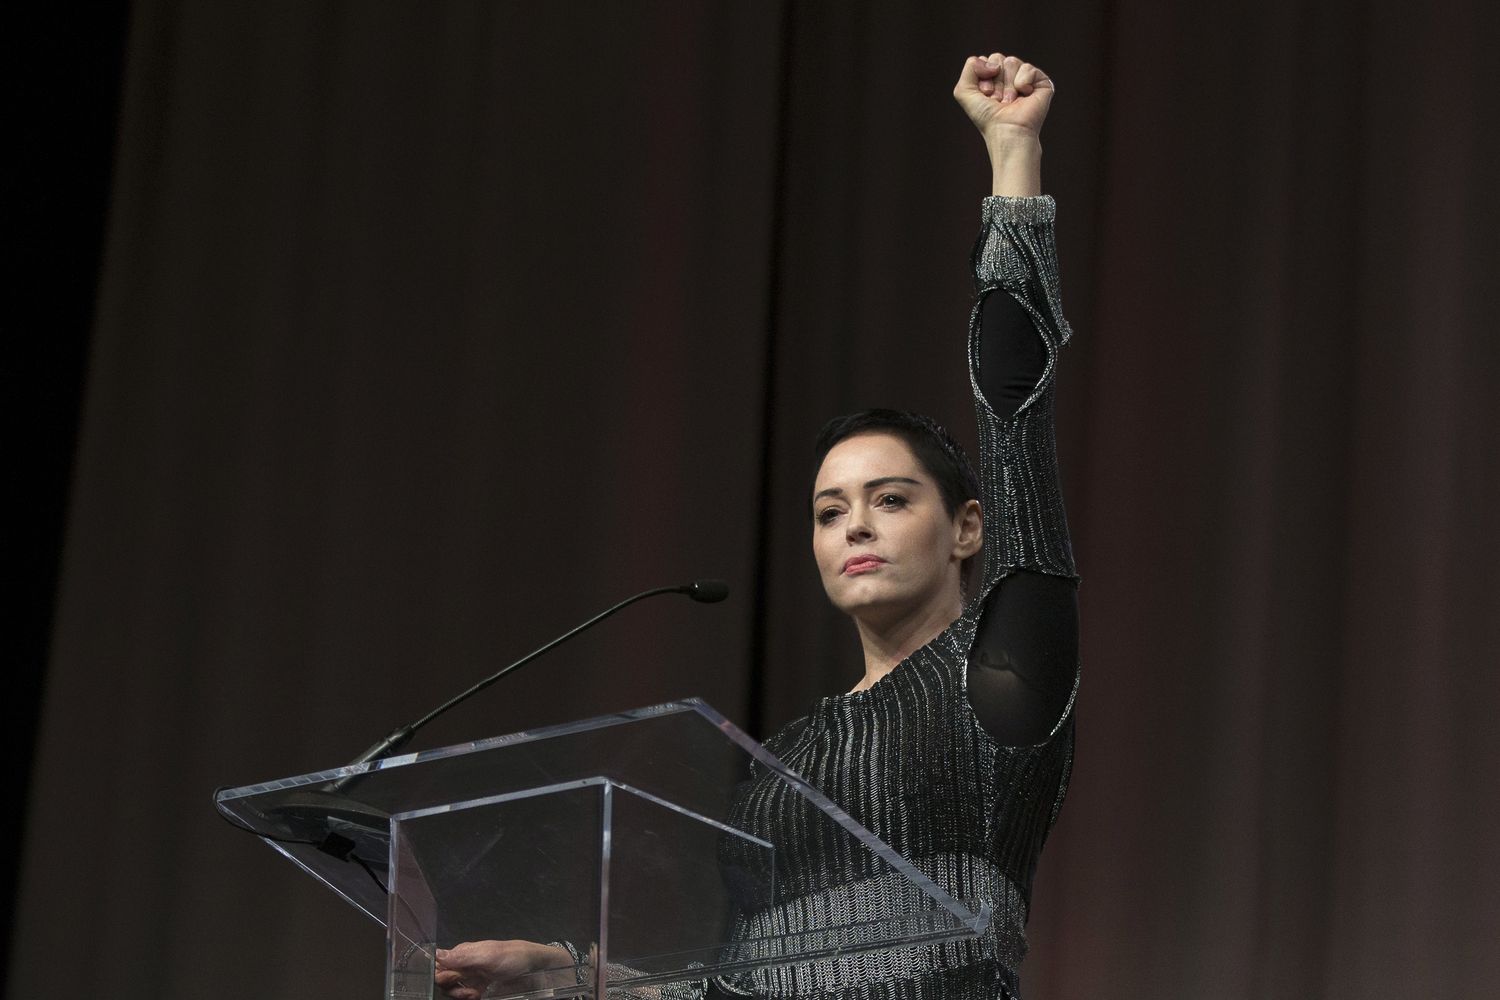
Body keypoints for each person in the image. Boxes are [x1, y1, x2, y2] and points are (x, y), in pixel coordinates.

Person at [436, 49, 1078, 1000]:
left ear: (969, 529)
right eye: (830, 512)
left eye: (891, 500)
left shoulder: (1005, 682)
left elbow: (1015, 412)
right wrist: (577, 980)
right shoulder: (789, 756)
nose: (854, 527)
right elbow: (743, 984)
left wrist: (1013, 158)